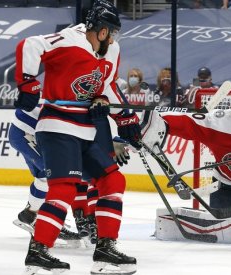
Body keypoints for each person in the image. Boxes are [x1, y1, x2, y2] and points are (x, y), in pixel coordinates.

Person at [13, 0, 139, 274]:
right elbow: (30, 45)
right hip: (58, 124)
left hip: (86, 128)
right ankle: (38, 252)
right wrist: (28, 82)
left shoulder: (111, 51)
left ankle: (105, 250)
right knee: (64, 187)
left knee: (112, 179)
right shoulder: (69, 39)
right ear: (102, 31)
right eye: (112, 33)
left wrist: (125, 116)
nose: (114, 39)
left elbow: (107, 86)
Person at [9, 105, 97, 247]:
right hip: (27, 133)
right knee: (54, 175)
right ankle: (40, 218)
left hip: (28, 132)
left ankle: (31, 214)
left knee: (44, 176)